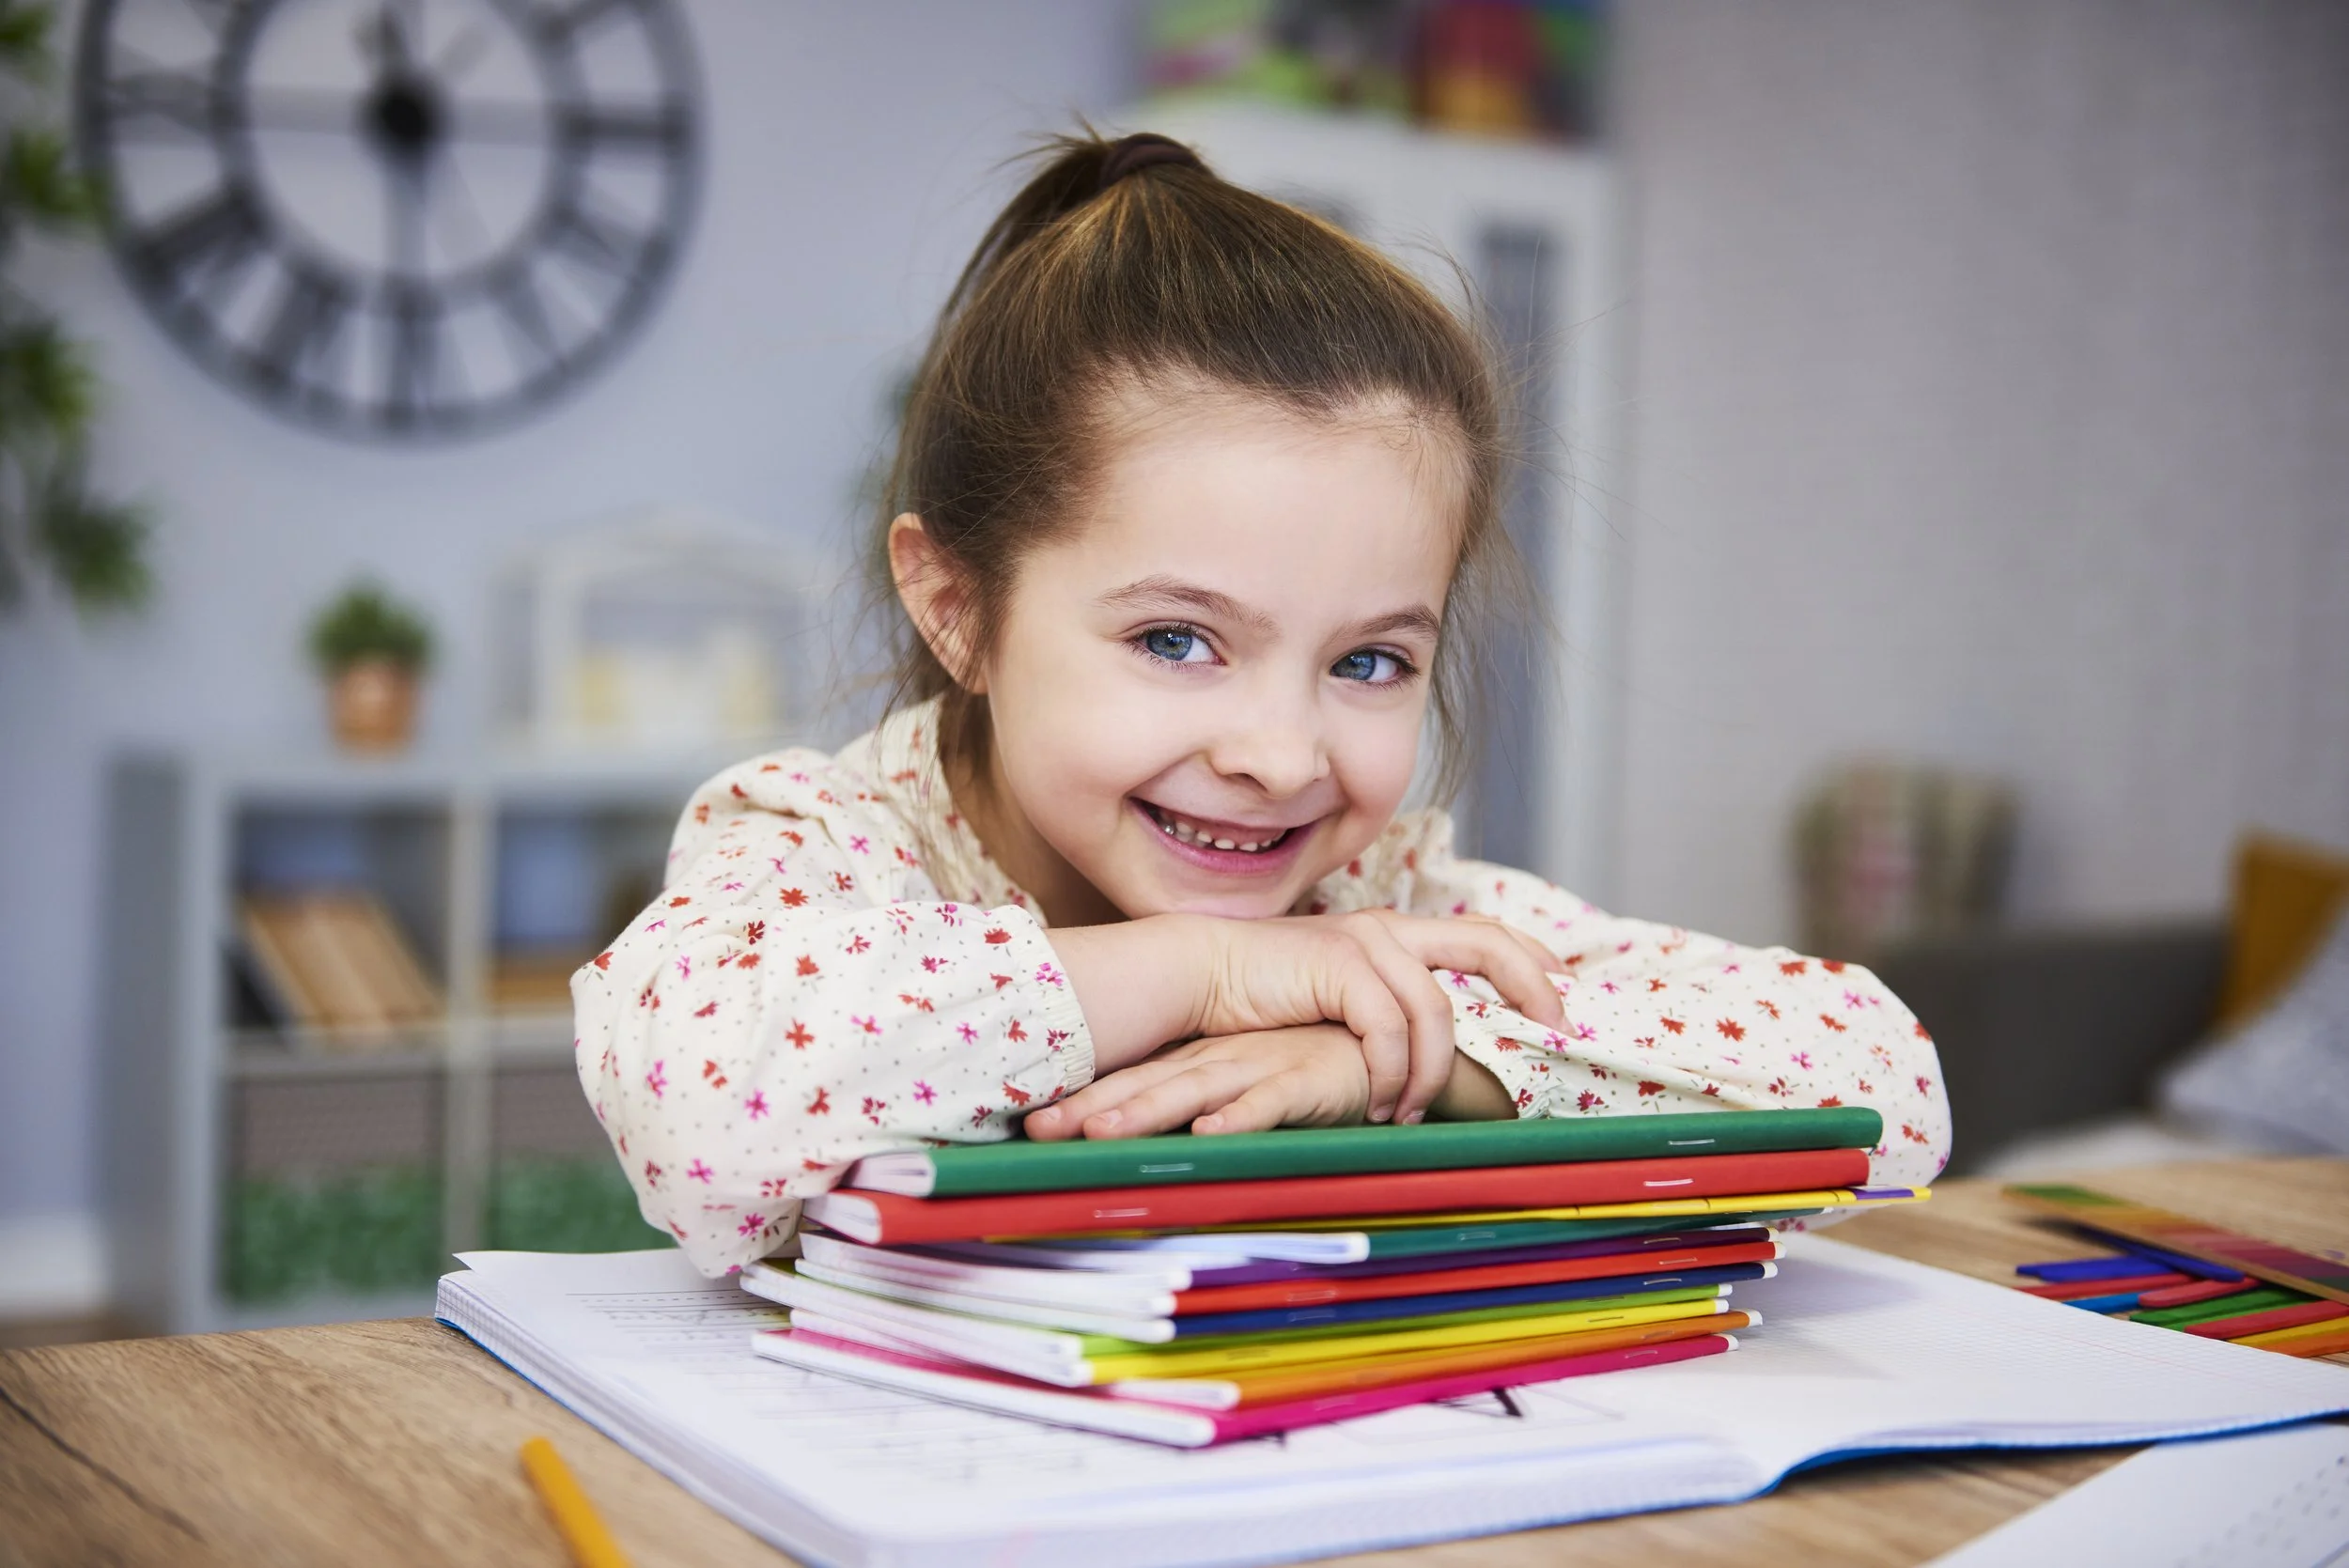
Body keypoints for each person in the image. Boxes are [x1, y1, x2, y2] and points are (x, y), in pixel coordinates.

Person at [574, 132, 1952, 1278]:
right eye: (1178, 639)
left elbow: (1888, 1092)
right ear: (958, 606)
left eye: (1368, 664)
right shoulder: (830, 841)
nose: (1281, 757)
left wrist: (1418, 1053)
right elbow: (690, 1101)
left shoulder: (1384, 910)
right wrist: (1209, 974)